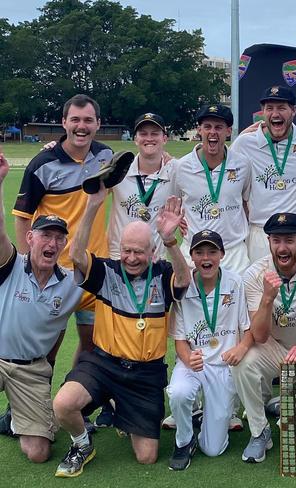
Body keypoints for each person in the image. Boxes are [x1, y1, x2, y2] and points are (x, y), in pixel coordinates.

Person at [52, 188, 190, 477]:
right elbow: (76, 254)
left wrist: (169, 241)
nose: (131, 257)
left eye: (138, 251)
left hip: (145, 374)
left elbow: (184, 279)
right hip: (104, 363)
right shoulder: (107, 272)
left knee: (147, 457)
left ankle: (119, 406)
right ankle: (82, 444)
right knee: (63, 405)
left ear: (151, 252)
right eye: (126, 250)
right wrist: (93, 205)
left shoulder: (163, 273)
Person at [12, 94, 112, 370]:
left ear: (98, 124)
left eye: (88, 120)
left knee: (92, 348)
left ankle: (73, 404)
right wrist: (26, 266)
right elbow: (22, 219)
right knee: (45, 350)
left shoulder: (106, 156)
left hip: (93, 269)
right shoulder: (42, 163)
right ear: (64, 122)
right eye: (75, 120)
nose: (82, 126)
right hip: (53, 273)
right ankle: (27, 408)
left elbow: (143, 165)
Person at [0, 151, 82, 462]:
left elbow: (59, 328)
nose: (52, 243)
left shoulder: (71, 284)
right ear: (31, 238)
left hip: (30, 372)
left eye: (59, 239)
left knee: (37, 453)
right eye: (46, 235)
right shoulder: (10, 264)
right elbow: (0, 232)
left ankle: (16, 419)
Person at [233, 213, 296, 463]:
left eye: (289, 240)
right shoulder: (254, 274)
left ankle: (283, 402)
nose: (283, 247)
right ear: (268, 242)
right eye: (277, 240)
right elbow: (260, 335)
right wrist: (267, 298)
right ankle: (259, 432)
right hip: (272, 347)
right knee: (243, 363)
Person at [166, 230, 252, 470]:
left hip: (223, 366)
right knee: (179, 393)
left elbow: (247, 328)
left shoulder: (235, 282)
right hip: (193, 362)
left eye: (212, 251)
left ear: (222, 254)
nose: (206, 258)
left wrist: (242, 348)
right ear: (191, 256)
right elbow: (180, 340)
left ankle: (205, 418)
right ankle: (184, 440)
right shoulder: (183, 286)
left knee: (213, 450)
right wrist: (187, 359)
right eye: (200, 252)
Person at [229, 86, 296, 261]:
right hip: (261, 234)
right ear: (262, 112)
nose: (275, 114)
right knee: (261, 287)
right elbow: (221, 176)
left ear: (294, 110)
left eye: (281, 108)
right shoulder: (244, 144)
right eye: (269, 108)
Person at [172, 104, 251, 274]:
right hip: (194, 251)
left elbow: (245, 202)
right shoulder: (181, 167)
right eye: (207, 127)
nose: (212, 132)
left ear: (228, 131)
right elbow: (173, 203)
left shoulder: (243, 164)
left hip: (233, 252)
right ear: (199, 130)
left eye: (218, 127)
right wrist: (177, 219)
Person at [108, 113, 176, 261]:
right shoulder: (119, 169)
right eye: (143, 134)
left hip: (155, 261)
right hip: (120, 258)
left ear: (164, 138)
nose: (149, 138)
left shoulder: (176, 170)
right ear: (135, 139)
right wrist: (55, 147)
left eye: (155, 134)